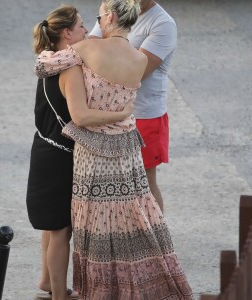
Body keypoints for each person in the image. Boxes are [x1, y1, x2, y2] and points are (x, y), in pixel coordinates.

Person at [35, 0, 193, 299]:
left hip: (92, 149)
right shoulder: (138, 59)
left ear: (108, 18)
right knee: (131, 211)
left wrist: (48, 50)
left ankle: (98, 289)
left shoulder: (85, 51)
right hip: (128, 145)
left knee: (93, 219)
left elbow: (43, 66)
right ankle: (138, 282)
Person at [27, 5, 134, 300]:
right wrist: (120, 114)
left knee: (51, 226)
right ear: (67, 33)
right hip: (61, 157)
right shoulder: (70, 68)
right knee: (62, 230)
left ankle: (48, 282)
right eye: (83, 27)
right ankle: (60, 296)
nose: (88, 31)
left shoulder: (50, 61)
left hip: (43, 149)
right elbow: (82, 116)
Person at [88, 0, 177, 212]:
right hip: (110, 113)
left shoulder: (162, 24)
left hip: (144, 116)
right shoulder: (115, 6)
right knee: (111, 180)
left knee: (144, 182)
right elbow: (90, 47)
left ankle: (157, 241)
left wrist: (104, 57)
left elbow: (136, 73)